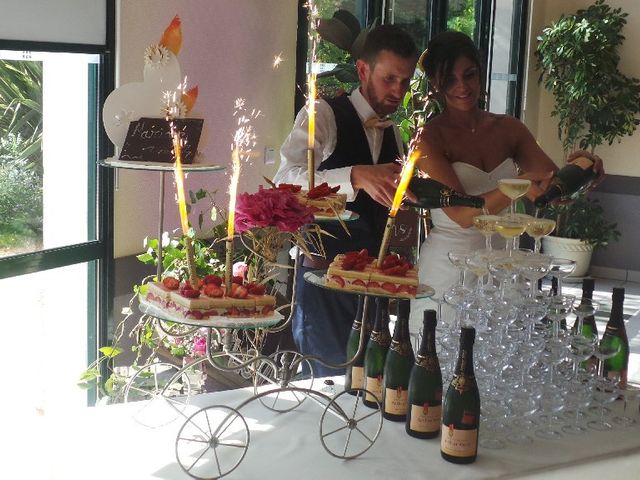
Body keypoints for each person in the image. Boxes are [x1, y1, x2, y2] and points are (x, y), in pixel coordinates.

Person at [409, 31, 603, 333]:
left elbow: (554, 191)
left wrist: (584, 170)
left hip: (504, 265)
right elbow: (463, 215)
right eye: (450, 80)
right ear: (436, 83)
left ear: (480, 72)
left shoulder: (509, 128)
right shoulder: (429, 138)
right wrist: (520, 183)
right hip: (449, 269)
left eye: (470, 75)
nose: (463, 87)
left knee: (502, 367)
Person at [273, 24, 419, 376]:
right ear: (363, 69)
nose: (398, 91)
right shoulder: (322, 114)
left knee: (370, 392)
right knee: (325, 395)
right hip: (324, 287)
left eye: (405, 81)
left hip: (373, 290)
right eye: (389, 79)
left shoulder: (393, 133)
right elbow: (284, 182)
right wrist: (354, 176)